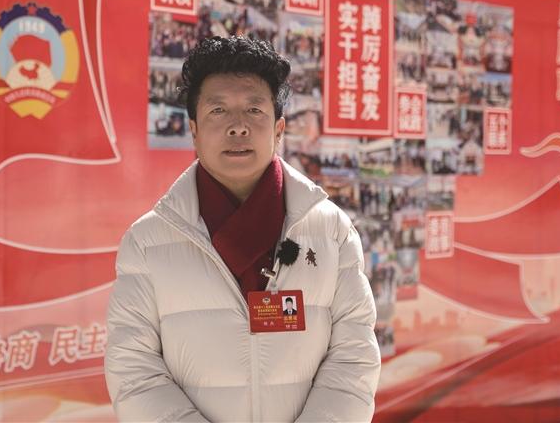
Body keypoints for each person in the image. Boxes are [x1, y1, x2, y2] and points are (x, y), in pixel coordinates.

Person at [105, 36, 380, 422]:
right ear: (194, 129)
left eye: (254, 109)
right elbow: (133, 370)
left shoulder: (331, 232)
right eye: (218, 110)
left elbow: (354, 359)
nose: (238, 127)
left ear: (279, 128)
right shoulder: (148, 242)